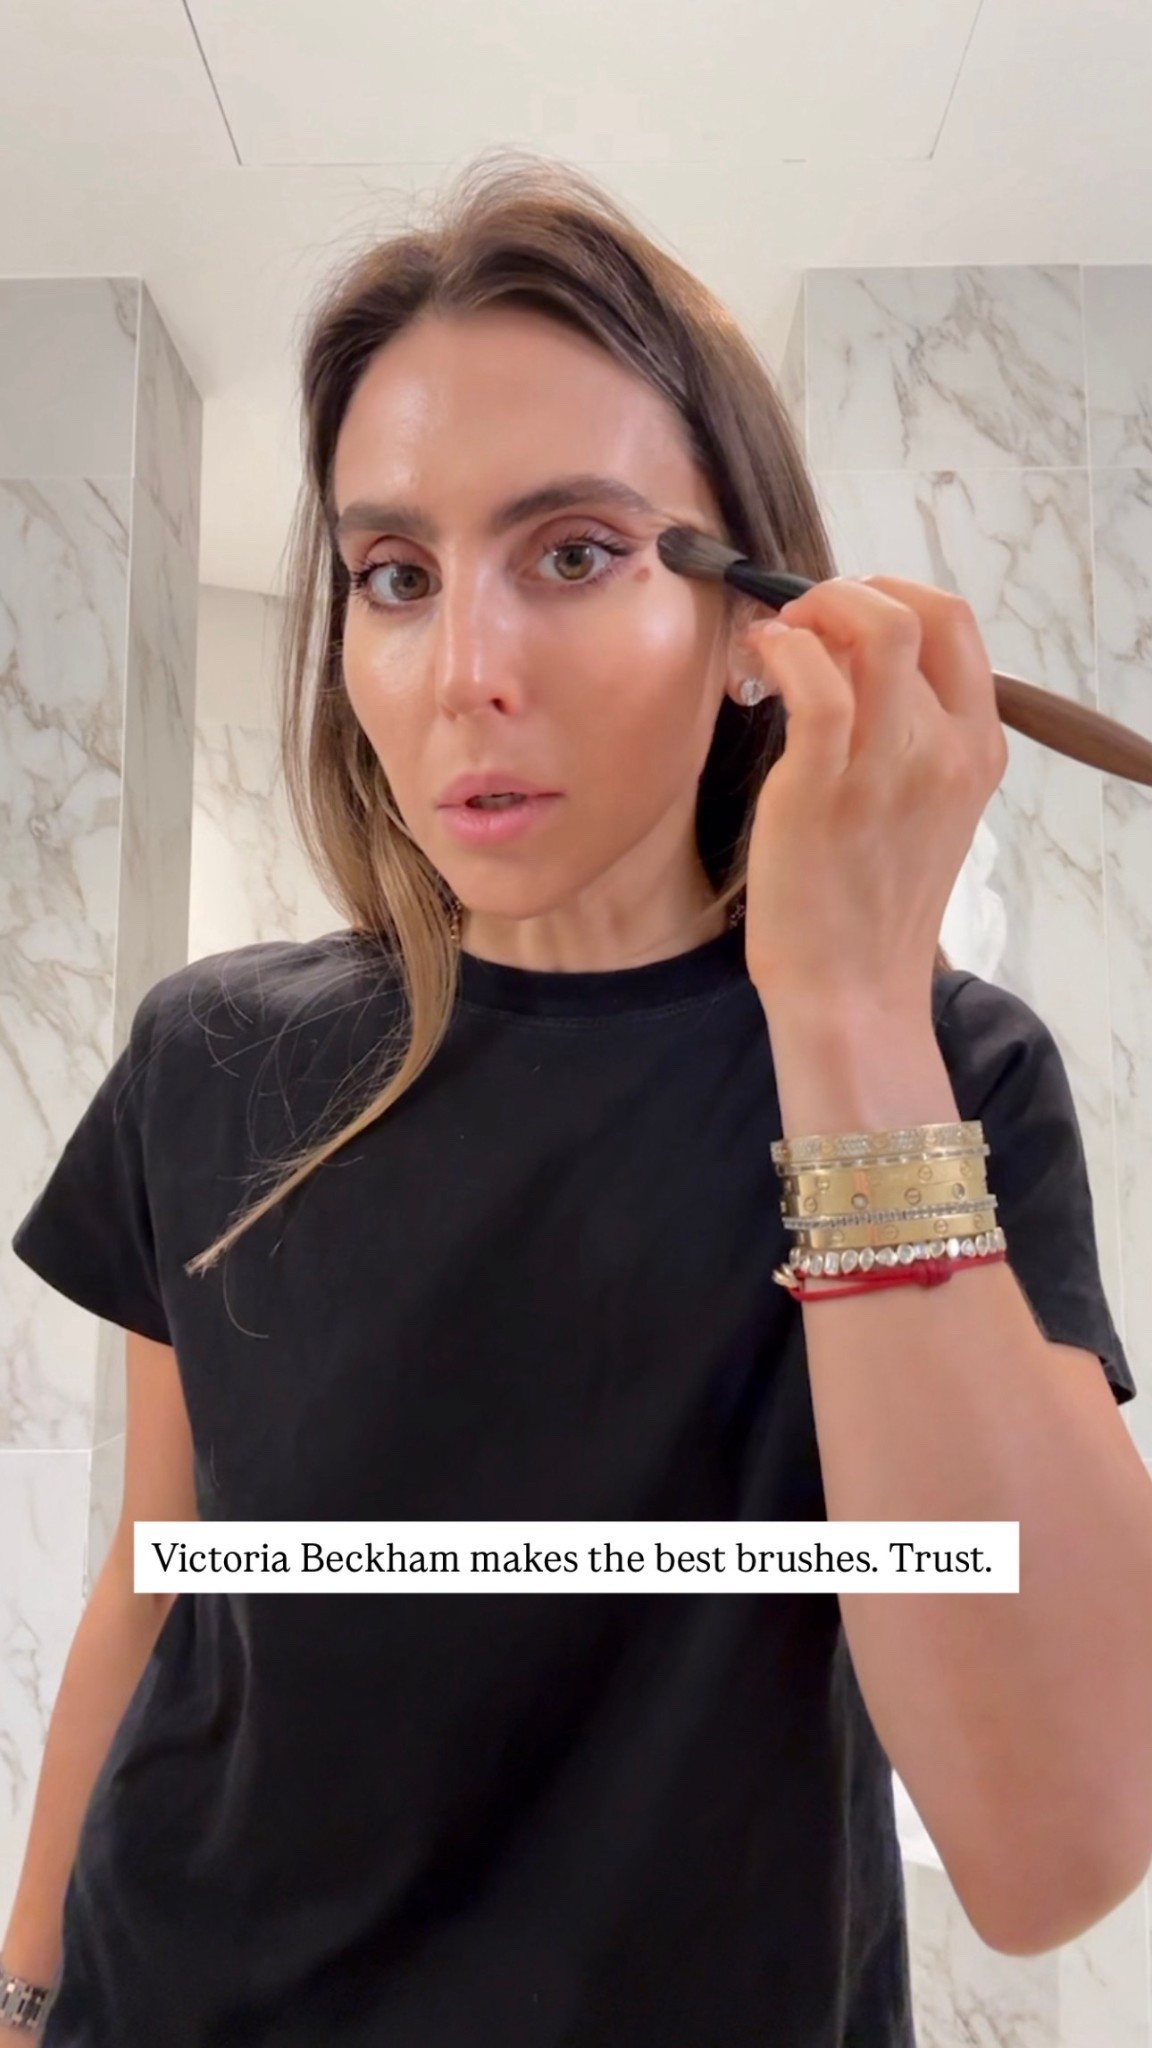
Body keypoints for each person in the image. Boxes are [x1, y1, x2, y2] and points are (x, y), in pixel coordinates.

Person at [3, 150, 1135, 2048]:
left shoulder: (947, 1076)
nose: (466, 673)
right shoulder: (213, 1057)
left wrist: (848, 1005)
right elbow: (169, 1575)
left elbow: (1056, 1848)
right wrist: (24, 1988)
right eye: (394, 576)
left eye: (578, 553)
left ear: (762, 619)